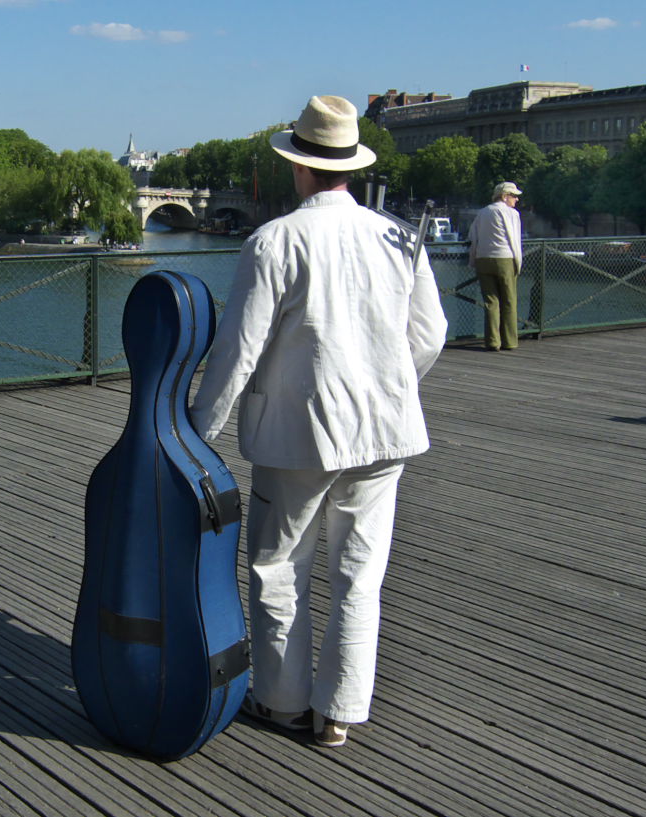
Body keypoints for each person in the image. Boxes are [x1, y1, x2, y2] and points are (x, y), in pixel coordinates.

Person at [189, 95, 447, 748]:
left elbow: (237, 350)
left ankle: (281, 702)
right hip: (384, 433)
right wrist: (390, 385)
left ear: (297, 167)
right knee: (362, 574)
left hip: (296, 435)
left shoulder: (274, 240)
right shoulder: (398, 237)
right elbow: (431, 334)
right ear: (351, 167)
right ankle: (340, 713)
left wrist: (197, 432)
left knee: (280, 569)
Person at [468, 181, 524, 350]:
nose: (516, 199)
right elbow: (515, 240)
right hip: (504, 259)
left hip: (483, 259)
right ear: (505, 196)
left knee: (491, 302)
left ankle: (492, 341)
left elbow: (473, 235)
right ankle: (509, 341)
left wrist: (472, 259)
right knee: (509, 301)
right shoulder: (511, 213)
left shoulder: (482, 212)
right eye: (514, 196)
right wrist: (518, 263)